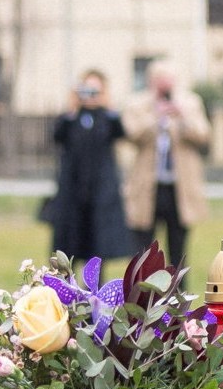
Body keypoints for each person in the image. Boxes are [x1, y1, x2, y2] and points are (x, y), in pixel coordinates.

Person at [122, 62, 211, 274]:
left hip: (179, 189)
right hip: (147, 188)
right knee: (143, 251)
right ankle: (142, 291)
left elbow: (203, 135)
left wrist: (182, 117)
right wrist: (155, 116)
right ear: (151, 82)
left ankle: (178, 290)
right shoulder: (137, 105)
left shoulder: (190, 103)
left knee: (178, 250)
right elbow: (131, 134)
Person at [48, 70, 132, 269]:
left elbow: (120, 132)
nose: (90, 96)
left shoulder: (106, 118)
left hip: (100, 192)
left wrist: (108, 105)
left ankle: (95, 286)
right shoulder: (72, 118)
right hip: (73, 191)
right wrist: (72, 109)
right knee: (70, 242)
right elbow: (57, 136)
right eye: (86, 91)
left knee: (98, 246)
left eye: (95, 91)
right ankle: (67, 284)